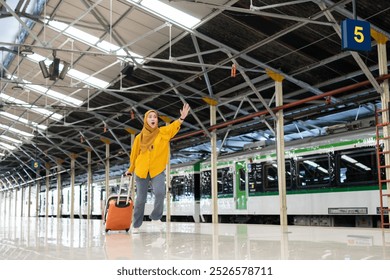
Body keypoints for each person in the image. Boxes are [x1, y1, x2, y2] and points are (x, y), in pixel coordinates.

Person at [125, 103, 190, 233]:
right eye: (150, 117)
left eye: (154, 116)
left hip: (157, 168)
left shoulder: (162, 133)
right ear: (145, 120)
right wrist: (130, 169)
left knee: (160, 192)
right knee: (141, 199)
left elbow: (173, 127)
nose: (153, 119)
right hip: (142, 169)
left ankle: (155, 217)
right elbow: (134, 155)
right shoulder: (139, 137)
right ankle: (136, 225)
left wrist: (181, 118)